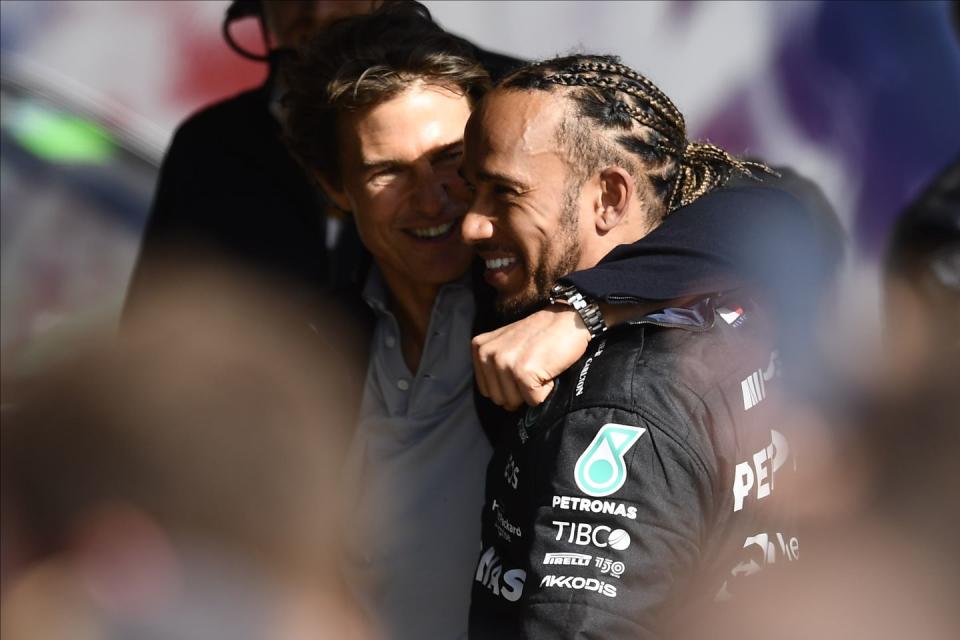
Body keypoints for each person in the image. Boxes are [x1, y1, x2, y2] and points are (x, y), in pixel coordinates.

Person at [461, 55, 801, 638]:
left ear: (610, 198)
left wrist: (582, 311)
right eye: (472, 189)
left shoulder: (616, 404)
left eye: (505, 193)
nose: (471, 223)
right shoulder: (731, 300)